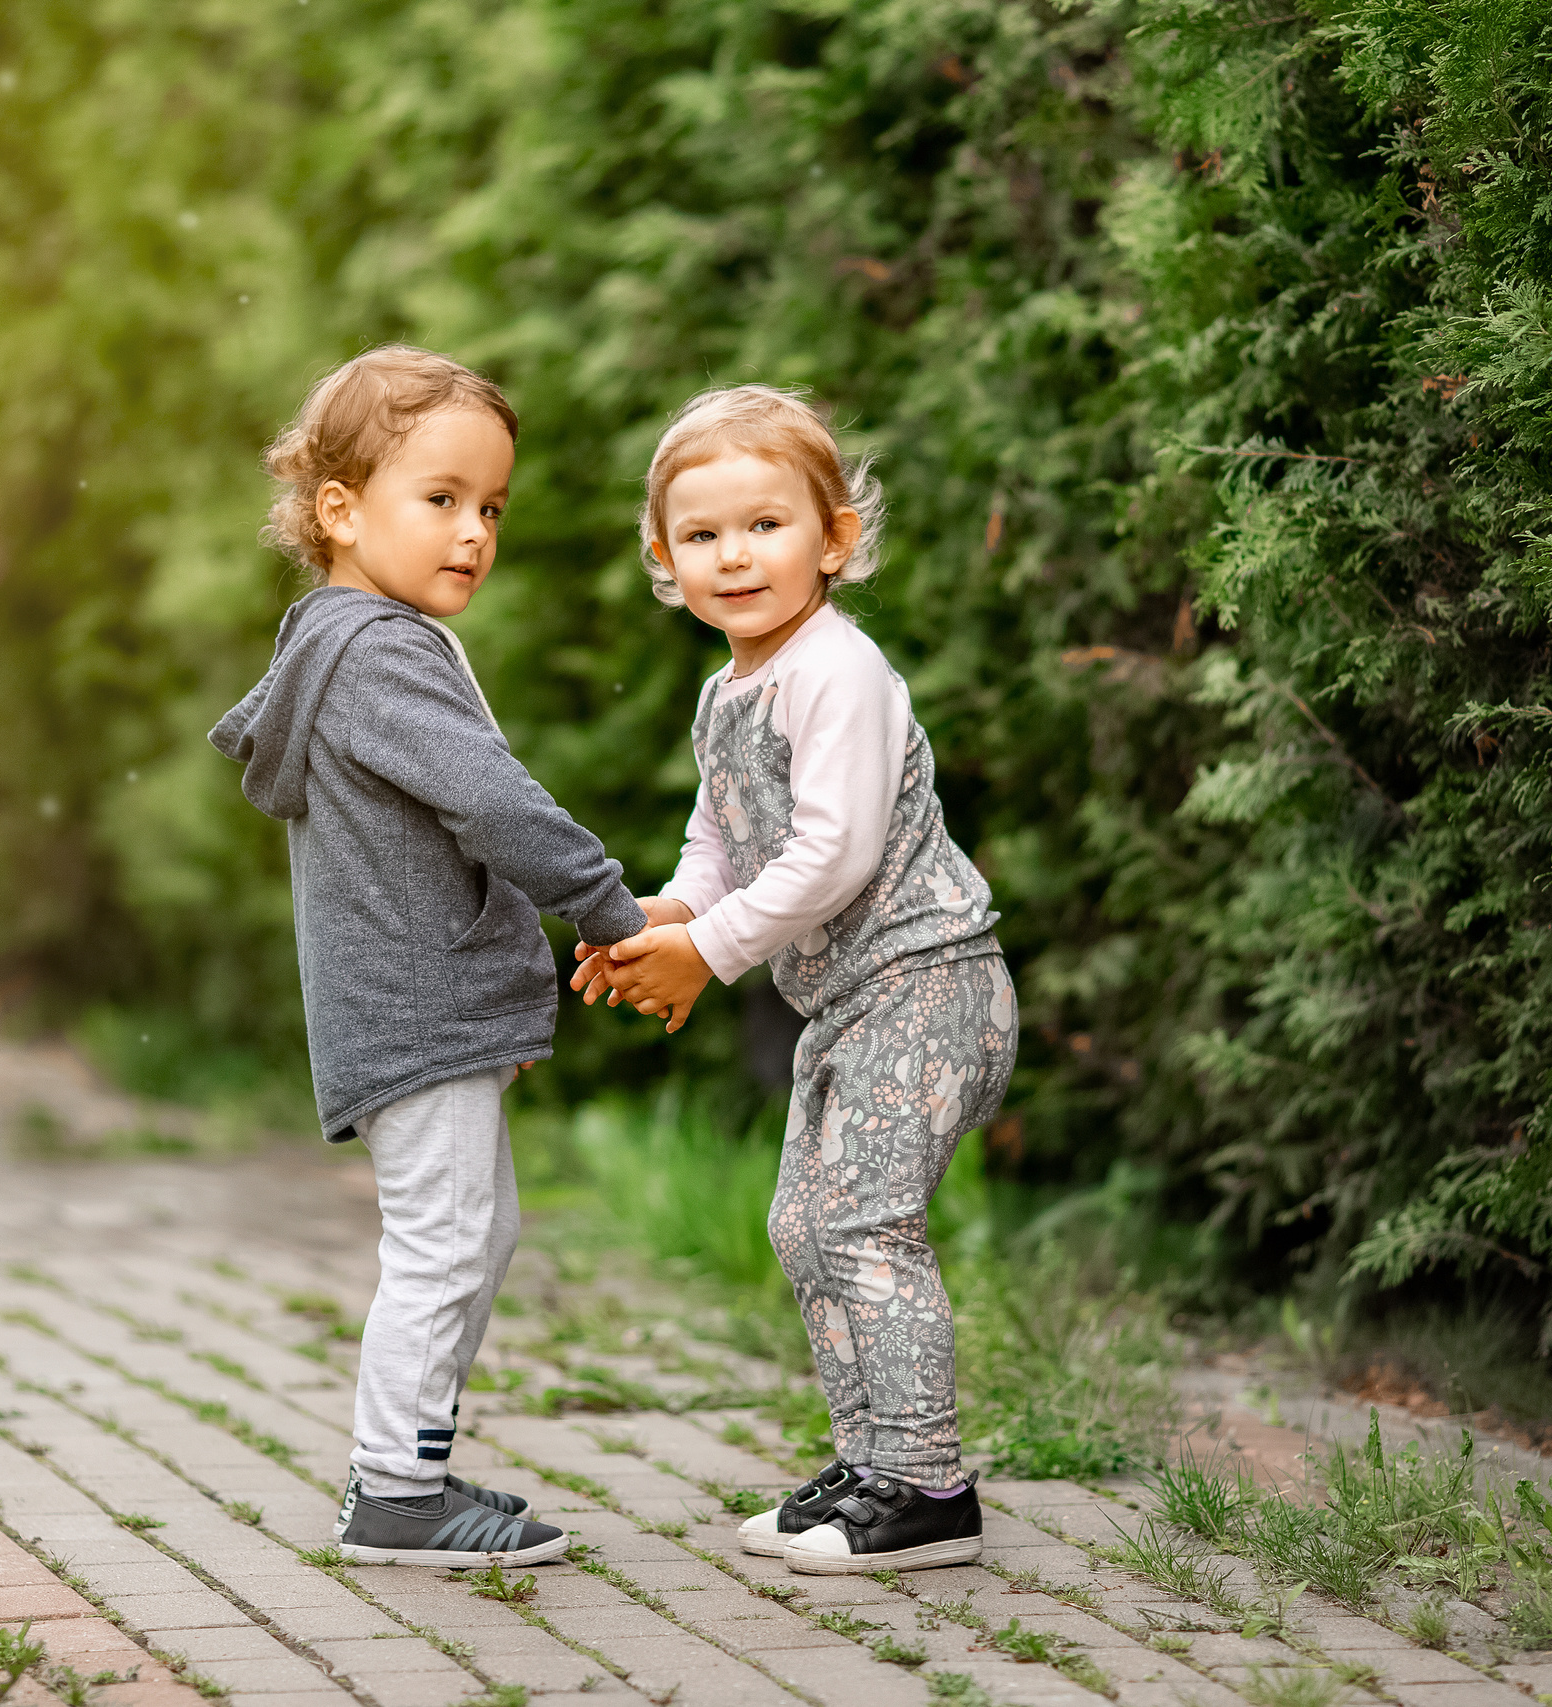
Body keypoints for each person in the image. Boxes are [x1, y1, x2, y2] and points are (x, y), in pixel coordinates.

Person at [210, 346, 648, 1567]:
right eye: (441, 498)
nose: (473, 532)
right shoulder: (378, 652)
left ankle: (408, 1464)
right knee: (445, 1242)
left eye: (491, 508)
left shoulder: (350, 641)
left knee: (475, 1234)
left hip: (412, 1003)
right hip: (417, 1007)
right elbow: (492, 803)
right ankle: (397, 1495)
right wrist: (607, 906)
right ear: (341, 510)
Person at [572, 385, 1018, 1574]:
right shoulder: (728, 691)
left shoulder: (837, 671)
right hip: (852, 1000)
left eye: (764, 525)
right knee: (803, 1225)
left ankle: (926, 1485)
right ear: (665, 559)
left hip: (928, 984)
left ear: (833, 539)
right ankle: (869, 1466)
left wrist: (710, 954)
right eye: (702, 534)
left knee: (863, 1223)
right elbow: (716, 844)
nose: (733, 555)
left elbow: (835, 854)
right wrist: (664, 920)